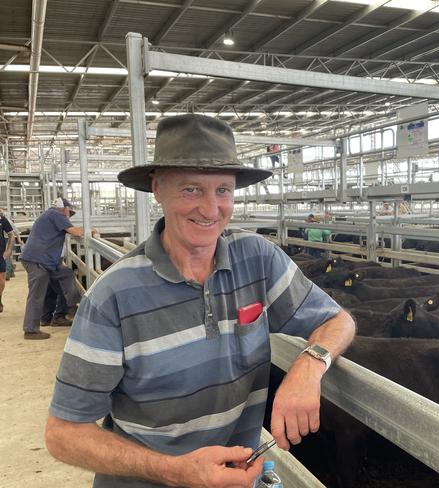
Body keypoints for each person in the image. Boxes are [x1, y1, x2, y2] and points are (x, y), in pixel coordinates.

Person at [45, 114, 356, 488]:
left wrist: (309, 366)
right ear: (158, 189)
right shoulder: (114, 295)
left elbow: (339, 321)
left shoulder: (257, 258)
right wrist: (174, 471)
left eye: (223, 190)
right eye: (191, 189)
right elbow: (63, 433)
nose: (210, 210)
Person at [20, 197, 91, 340]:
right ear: (64, 208)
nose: (68, 216)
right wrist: (90, 230)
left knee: (65, 275)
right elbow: (76, 232)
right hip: (38, 260)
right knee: (37, 295)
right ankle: (31, 330)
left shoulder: (50, 215)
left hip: (46, 260)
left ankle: (60, 315)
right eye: (69, 213)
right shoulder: (55, 214)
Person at [0, 208, 23, 280]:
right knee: (7, 257)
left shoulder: (5, 220)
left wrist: (18, 239)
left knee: (6, 256)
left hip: (6, 239)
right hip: (5, 239)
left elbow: (14, 230)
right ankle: (10, 272)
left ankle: (7, 273)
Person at [0, 210, 15, 313]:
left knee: (1, 282)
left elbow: (11, 235)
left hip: (0, 255)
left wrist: (8, 250)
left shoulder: (2, 219)